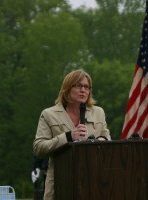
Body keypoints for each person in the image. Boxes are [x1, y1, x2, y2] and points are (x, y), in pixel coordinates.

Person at [33, 69, 111, 200]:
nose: (83, 90)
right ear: (67, 88)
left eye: (87, 87)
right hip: (61, 181)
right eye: (78, 85)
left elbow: (106, 136)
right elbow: (38, 148)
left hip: (93, 181)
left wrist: (100, 140)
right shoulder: (48, 114)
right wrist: (68, 137)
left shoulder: (98, 112)